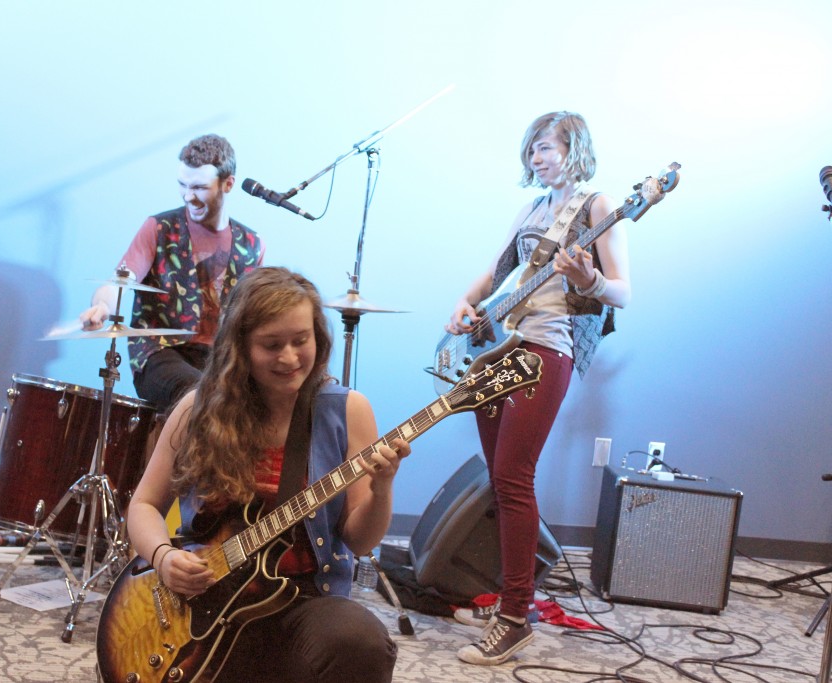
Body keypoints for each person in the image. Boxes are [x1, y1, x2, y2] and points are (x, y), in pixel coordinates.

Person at [126, 266, 408, 682]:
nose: (290, 358)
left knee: (361, 642)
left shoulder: (348, 410)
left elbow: (360, 541)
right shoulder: (196, 409)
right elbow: (144, 505)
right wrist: (163, 557)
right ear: (239, 347)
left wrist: (382, 488)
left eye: (301, 340)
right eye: (272, 345)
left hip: (304, 602)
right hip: (204, 604)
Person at [446, 111, 631, 666]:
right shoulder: (532, 209)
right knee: (500, 480)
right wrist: (465, 303)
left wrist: (588, 279)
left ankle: (514, 618)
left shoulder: (597, 206)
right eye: (532, 150)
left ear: (574, 150)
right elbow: (497, 271)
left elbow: (622, 292)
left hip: (548, 348)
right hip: (503, 346)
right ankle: (513, 599)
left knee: (513, 477)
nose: (537, 158)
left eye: (546, 147)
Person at [80, 133, 265, 413]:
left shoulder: (252, 245)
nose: (188, 196)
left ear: (228, 184)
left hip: (219, 362)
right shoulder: (158, 228)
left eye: (199, 187)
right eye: (183, 185)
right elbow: (119, 283)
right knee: (198, 394)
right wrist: (103, 306)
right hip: (159, 355)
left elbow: (252, 318)